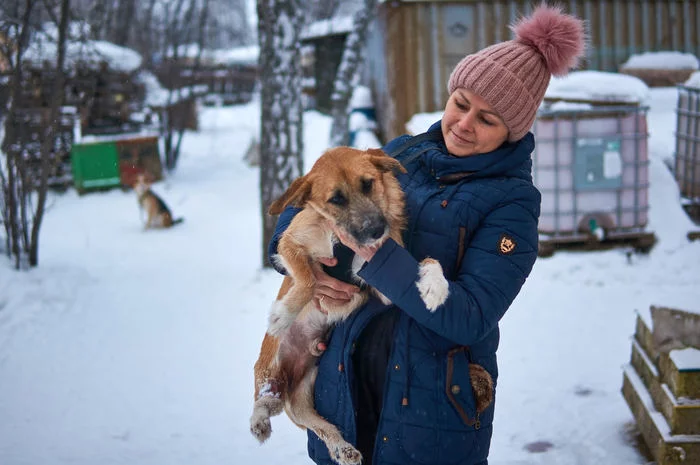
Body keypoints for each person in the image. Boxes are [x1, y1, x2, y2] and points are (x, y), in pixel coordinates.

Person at [267, 5, 586, 465]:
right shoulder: (404, 152)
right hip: (344, 387)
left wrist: (376, 258)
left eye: (488, 119)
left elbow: (470, 315)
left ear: (513, 130)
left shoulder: (513, 205)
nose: (464, 123)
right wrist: (304, 262)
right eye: (462, 103)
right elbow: (316, 198)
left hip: (430, 408)